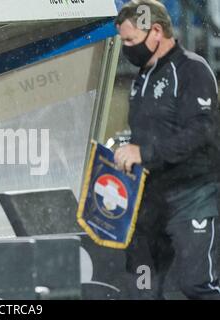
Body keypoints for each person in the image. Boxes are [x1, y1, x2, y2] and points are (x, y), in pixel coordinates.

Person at [114, 0, 220, 299]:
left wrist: (143, 153)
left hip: (193, 197)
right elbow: (147, 135)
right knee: (143, 287)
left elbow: (201, 132)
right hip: (150, 201)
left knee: (196, 284)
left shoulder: (192, 70)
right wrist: (126, 152)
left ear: (156, 31)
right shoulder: (143, 77)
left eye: (131, 40)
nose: (127, 48)